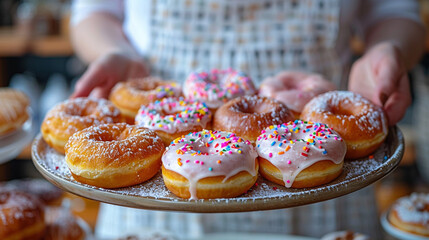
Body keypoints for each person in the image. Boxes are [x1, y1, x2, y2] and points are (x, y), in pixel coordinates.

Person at [69, 0, 425, 239]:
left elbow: (394, 9)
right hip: (156, 191)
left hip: (325, 172)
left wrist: (387, 49)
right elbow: (94, 10)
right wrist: (112, 51)